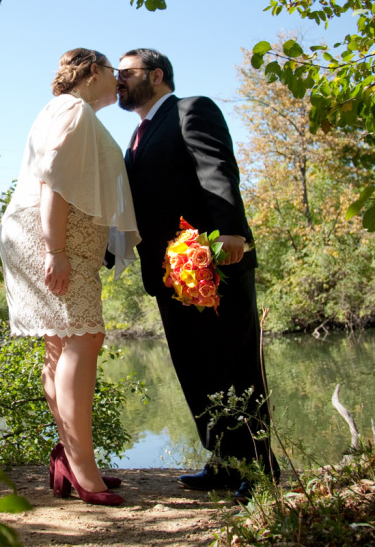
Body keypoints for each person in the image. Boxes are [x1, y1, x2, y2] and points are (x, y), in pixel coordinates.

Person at [117, 48, 279, 503]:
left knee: (235, 365)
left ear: (156, 74)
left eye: (124, 73)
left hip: (214, 263)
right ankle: (225, 462)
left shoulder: (191, 110)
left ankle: (261, 466)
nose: (117, 81)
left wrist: (231, 231)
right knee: (195, 369)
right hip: (169, 277)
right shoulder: (136, 135)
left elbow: (217, 171)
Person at [0, 49, 140, 506]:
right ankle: (83, 470)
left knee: (61, 342)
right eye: (113, 73)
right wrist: (56, 250)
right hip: (56, 239)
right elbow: (54, 180)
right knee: (85, 337)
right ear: (93, 72)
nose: (119, 81)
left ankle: (71, 458)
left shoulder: (63, 110)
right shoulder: (74, 109)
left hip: (54, 237)